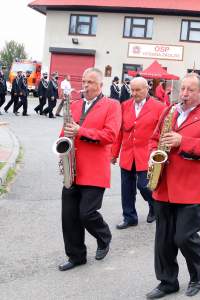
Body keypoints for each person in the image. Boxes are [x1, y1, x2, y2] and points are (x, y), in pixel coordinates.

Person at [145, 73, 200, 299]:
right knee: (163, 239)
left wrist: (183, 141)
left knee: (184, 237)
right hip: (164, 185)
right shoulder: (169, 111)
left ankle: (197, 274)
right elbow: (153, 139)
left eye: (191, 90)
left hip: (190, 187)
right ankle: (167, 281)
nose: (185, 94)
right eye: (183, 89)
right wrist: (153, 155)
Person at [57, 67, 122, 271]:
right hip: (72, 168)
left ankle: (104, 237)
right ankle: (76, 256)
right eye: (84, 81)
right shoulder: (74, 105)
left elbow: (110, 135)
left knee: (86, 213)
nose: (85, 85)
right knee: (69, 217)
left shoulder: (112, 105)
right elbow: (64, 132)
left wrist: (81, 130)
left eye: (90, 82)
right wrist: (61, 147)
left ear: (100, 85)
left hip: (94, 170)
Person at [111, 77, 165, 229]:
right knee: (126, 188)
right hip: (128, 154)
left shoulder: (159, 107)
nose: (134, 93)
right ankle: (129, 217)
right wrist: (114, 153)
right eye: (132, 90)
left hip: (147, 155)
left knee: (144, 185)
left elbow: (162, 133)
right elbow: (120, 131)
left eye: (138, 90)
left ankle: (153, 205)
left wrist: (159, 155)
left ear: (147, 88)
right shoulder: (125, 105)